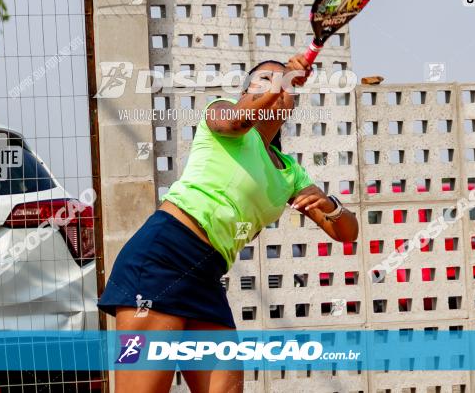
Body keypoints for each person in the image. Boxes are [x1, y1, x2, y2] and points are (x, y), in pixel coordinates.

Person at [98, 53, 359, 393]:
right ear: (245, 92)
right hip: (161, 258)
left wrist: (332, 206)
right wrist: (283, 78)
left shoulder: (289, 173)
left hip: (207, 277)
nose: (276, 86)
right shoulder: (221, 114)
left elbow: (346, 233)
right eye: (264, 80)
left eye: (283, 82)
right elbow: (238, 121)